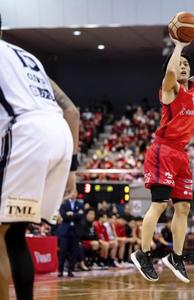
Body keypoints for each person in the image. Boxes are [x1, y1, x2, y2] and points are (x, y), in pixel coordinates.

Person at [131, 21, 194, 283]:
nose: (183, 67)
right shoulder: (170, 89)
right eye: (180, 64)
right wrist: (178, 45)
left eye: (186, 65)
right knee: (158, 205)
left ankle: (175, 257)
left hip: (180, 154)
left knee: (183, 208)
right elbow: (170, 71)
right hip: (162, 150)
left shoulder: (192, 88)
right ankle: (143, 253)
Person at [0, 14, 79, 300]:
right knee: (14, 236)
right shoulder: (26, 57)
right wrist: (72, 167)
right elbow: (72, 110)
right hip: (58, 135)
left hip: (27, 136)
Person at [57, 197, 84, 277]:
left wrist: (71, 214)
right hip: (65, 231)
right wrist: (75, 214)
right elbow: (64, 216)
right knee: (63, 251)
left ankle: (70, 270)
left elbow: (81, 216)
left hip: (75, 231)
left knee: (74, 251)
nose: (74, 194)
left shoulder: (79, 204)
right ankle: (60, 270)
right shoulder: (64, 204)